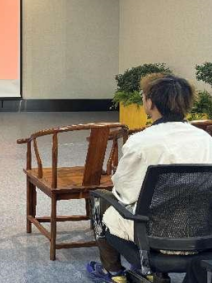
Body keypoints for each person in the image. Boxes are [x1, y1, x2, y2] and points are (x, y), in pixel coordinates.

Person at [87, 73, 212, 283]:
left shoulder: (140, 142)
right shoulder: (206, 140)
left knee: (101, 200)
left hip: (154, 235)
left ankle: (115, 274)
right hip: (202, 234)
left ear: (150, 103)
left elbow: (125, 193)